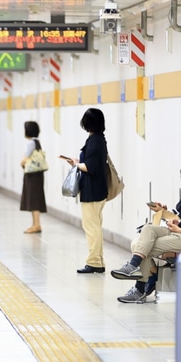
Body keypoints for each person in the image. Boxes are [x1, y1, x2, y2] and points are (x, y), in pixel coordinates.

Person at [112, 162, 181, 303]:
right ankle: (134, 268)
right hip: (179, 232)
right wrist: (164, 212)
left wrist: (173, 222)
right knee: (147, 230)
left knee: (144, 247)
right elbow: (179, 217)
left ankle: (140, 287)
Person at [63, 107, 108, 274]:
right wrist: (76, 162)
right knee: (95, 226)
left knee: (91, 227)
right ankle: (98, 260)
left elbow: (89, 167)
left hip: (93, 191)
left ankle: (94, 262)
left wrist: (76, 164)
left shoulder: (95, 141)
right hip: (96, 189)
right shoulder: (97, 139)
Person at [19, 121, 47, 234]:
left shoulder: (30, 143)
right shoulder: (37, 142)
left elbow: (25, 158)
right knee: (35, 198)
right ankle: (35, 224)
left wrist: (21, 163)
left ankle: (37, 225)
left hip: (32, 175)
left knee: (33, 199)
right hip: (38, 174)